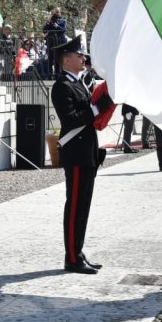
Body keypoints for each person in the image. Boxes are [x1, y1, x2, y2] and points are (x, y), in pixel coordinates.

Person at [50, 34, 112, 275]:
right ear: (67, 60)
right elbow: (72, 119)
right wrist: (97, 107)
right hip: (75, 154)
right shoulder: (61, 86)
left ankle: (78, 251)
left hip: (86, 153)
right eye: (78, 55)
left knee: (83, 206)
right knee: (75, 205)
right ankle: (72, 257)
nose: (82, 58)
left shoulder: (78, 83)